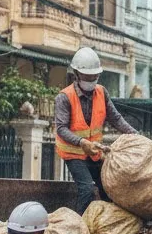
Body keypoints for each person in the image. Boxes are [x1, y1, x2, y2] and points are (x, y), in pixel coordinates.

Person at [55, 45, 137, 214]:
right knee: (87, 189)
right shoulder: (64, 97)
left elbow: (115, 118)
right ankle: (80, 223)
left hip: (94, 153)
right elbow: (61, 129)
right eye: (88, 76)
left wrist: (135, 135)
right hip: (74, 154)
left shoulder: (101, 92)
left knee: (108, 186)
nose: (92, 79)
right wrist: (81, 142)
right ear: (77, 74)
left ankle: (109, 220)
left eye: (95, 76)